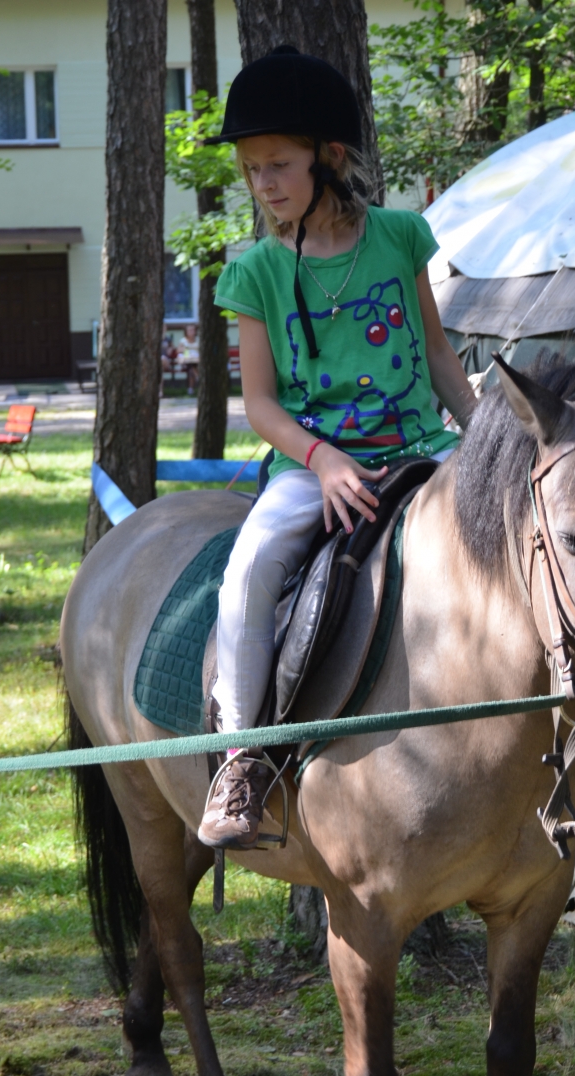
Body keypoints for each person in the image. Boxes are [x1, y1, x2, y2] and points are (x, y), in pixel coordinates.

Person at [197, 46, 477, 850]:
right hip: (314, 464)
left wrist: (490, 433)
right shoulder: (256, 273)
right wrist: (322, 460)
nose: (263, 184)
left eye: (277, 165)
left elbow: (436, 355)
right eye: (251, 170)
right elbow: (260, 403)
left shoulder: (400, 238)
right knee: (250, 570)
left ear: (331, 156)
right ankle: (242, 758)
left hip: (422, 447)